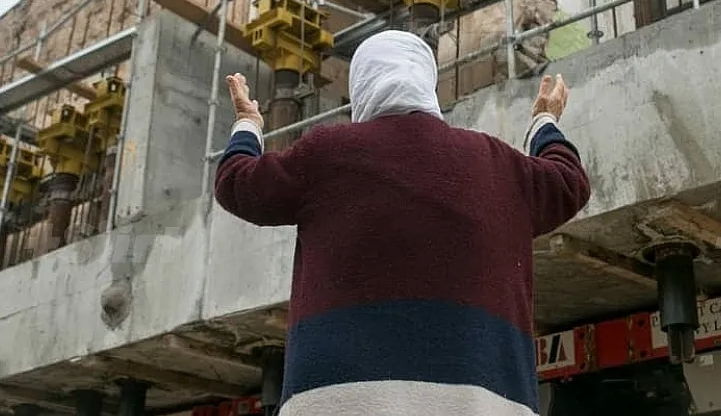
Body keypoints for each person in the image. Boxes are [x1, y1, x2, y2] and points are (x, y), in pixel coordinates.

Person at [214, 29, 591, 416]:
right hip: (481, 404)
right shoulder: (495, 162)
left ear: (362, 85)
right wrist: (545, 120)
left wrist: (247, 122)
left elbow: (236, 183)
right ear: (427, 82)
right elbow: (568, 182)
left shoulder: (327, 154)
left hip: (340, 403)